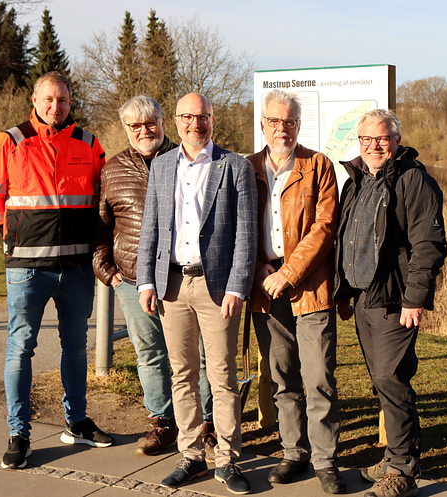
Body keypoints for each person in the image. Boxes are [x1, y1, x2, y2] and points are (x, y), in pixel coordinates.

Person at [0, 71, 113, 470]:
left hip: (76, 269)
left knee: (75, 346)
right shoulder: (10, 141)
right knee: (21, 348)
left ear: (71, 104)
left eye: (64, 101)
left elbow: (103, 200)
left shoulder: (89, 143)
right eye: (49, 99)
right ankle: (19, 432)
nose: (56, 107)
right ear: (34, 100)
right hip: (26, 269)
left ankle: (78, 423)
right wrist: (14, 236)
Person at [136, 92, 257, 493]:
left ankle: (228, 460)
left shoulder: (234, 166)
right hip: (171, 285)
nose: (195, 124)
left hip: (216, 287)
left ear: (212, 119)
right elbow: (151, 228)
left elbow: (245, 234)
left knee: (221, 377)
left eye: (202, 116)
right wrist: (146, 280)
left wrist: (238, 285)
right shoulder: (162, 165)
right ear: (175, 120)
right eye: (187, 117)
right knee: (182, 375)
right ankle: (191, 456)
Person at [93, 95, 217, 457]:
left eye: (151, 123)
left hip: (183, 276)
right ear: (126, 130)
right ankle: (162, 421)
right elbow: (101, 227)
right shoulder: (113, 169)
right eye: (135, 126)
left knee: (199, 352)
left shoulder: (188, 159)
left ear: (165, 122)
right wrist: (109, 273)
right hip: (132, 278)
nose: (144, 131)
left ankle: (207, 421)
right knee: (149, 351)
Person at [334, 109, 447, 497]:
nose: (374, 145)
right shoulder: (359, 179)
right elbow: (351, 239)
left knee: (390, 379)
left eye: (382, 138)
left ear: (397, 140)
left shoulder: (415, 181)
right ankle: (395, 455)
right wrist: (345, 292)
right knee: (383, 381)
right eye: (366, 139)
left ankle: (402, 470)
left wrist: (415, 299)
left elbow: (428, 246)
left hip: (395, 300)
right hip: (366, 299)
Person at [248, 89, 343, 493]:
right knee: (281, 376)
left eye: (289, 122)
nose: (281, 129)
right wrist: (256, 267)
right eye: (274, 121)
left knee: (318, 377)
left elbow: (325, 227)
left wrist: (287, 273)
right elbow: (237, 227)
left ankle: (325, 460)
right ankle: (293, 452)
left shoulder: (318, 165)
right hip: (264, 290)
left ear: (298, 125)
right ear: (263, 125)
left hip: (310, 288)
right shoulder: (245, 168)